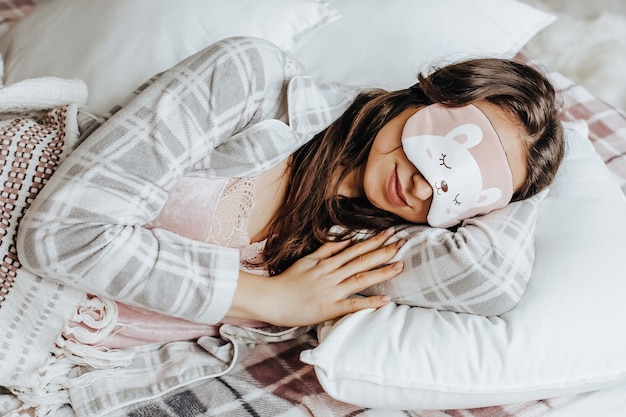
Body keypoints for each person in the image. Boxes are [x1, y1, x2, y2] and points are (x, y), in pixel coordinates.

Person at [16, 37, 564, 350]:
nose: (425, 185)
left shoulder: (364, 249)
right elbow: (63, 234)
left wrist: (525, 188)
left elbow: (493, 281)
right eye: (444, 151)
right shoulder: (252, 83)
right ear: (431, 93)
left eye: (460, 195)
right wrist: (271, 298)